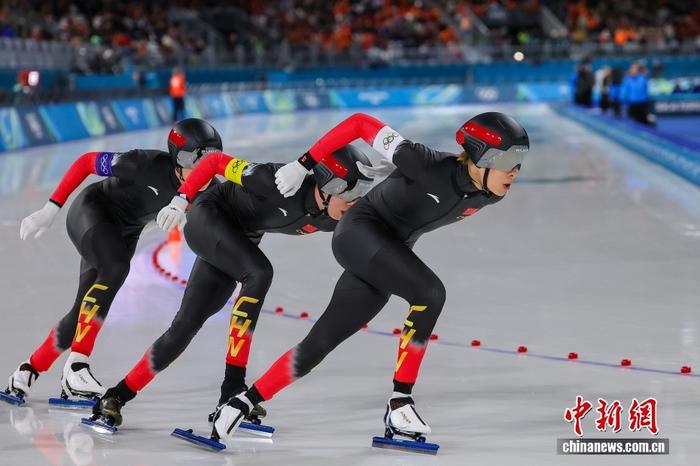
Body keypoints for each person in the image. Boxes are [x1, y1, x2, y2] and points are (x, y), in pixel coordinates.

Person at [212, 111, 529, 444]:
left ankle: (242, 402)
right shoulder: (422, 162)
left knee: (322, 340)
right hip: (358, 235)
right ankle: (400, 402)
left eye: (519, 162)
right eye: (508, 160)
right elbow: (360, 123)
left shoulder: (489, 192)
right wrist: (304, 164)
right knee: (429, 292)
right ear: (481, 156)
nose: (514, 171)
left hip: (386, 251)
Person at [89, 145, 394, 428]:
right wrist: (181, 199)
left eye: (362, 193)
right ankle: (233, 387)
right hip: (209, 217)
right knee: (259, 273)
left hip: (237, 240)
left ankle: (117, 395)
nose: (356, 202)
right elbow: (214, 162)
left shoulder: (336, 214)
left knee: (184, 326)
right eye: (352, 193)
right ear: (329, 186)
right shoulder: (274, 180)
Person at [2, 119, 222, 405]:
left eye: (211, 162)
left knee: (83, 312)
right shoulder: (143, 163)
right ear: (176, 160)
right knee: (115, 268)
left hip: (125, 233)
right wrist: (50, 208)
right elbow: (85, 162)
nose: (203, 172)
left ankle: (27, 371)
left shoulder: (211, 190)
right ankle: (77, 367)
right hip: (93, 212)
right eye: (195, 162)